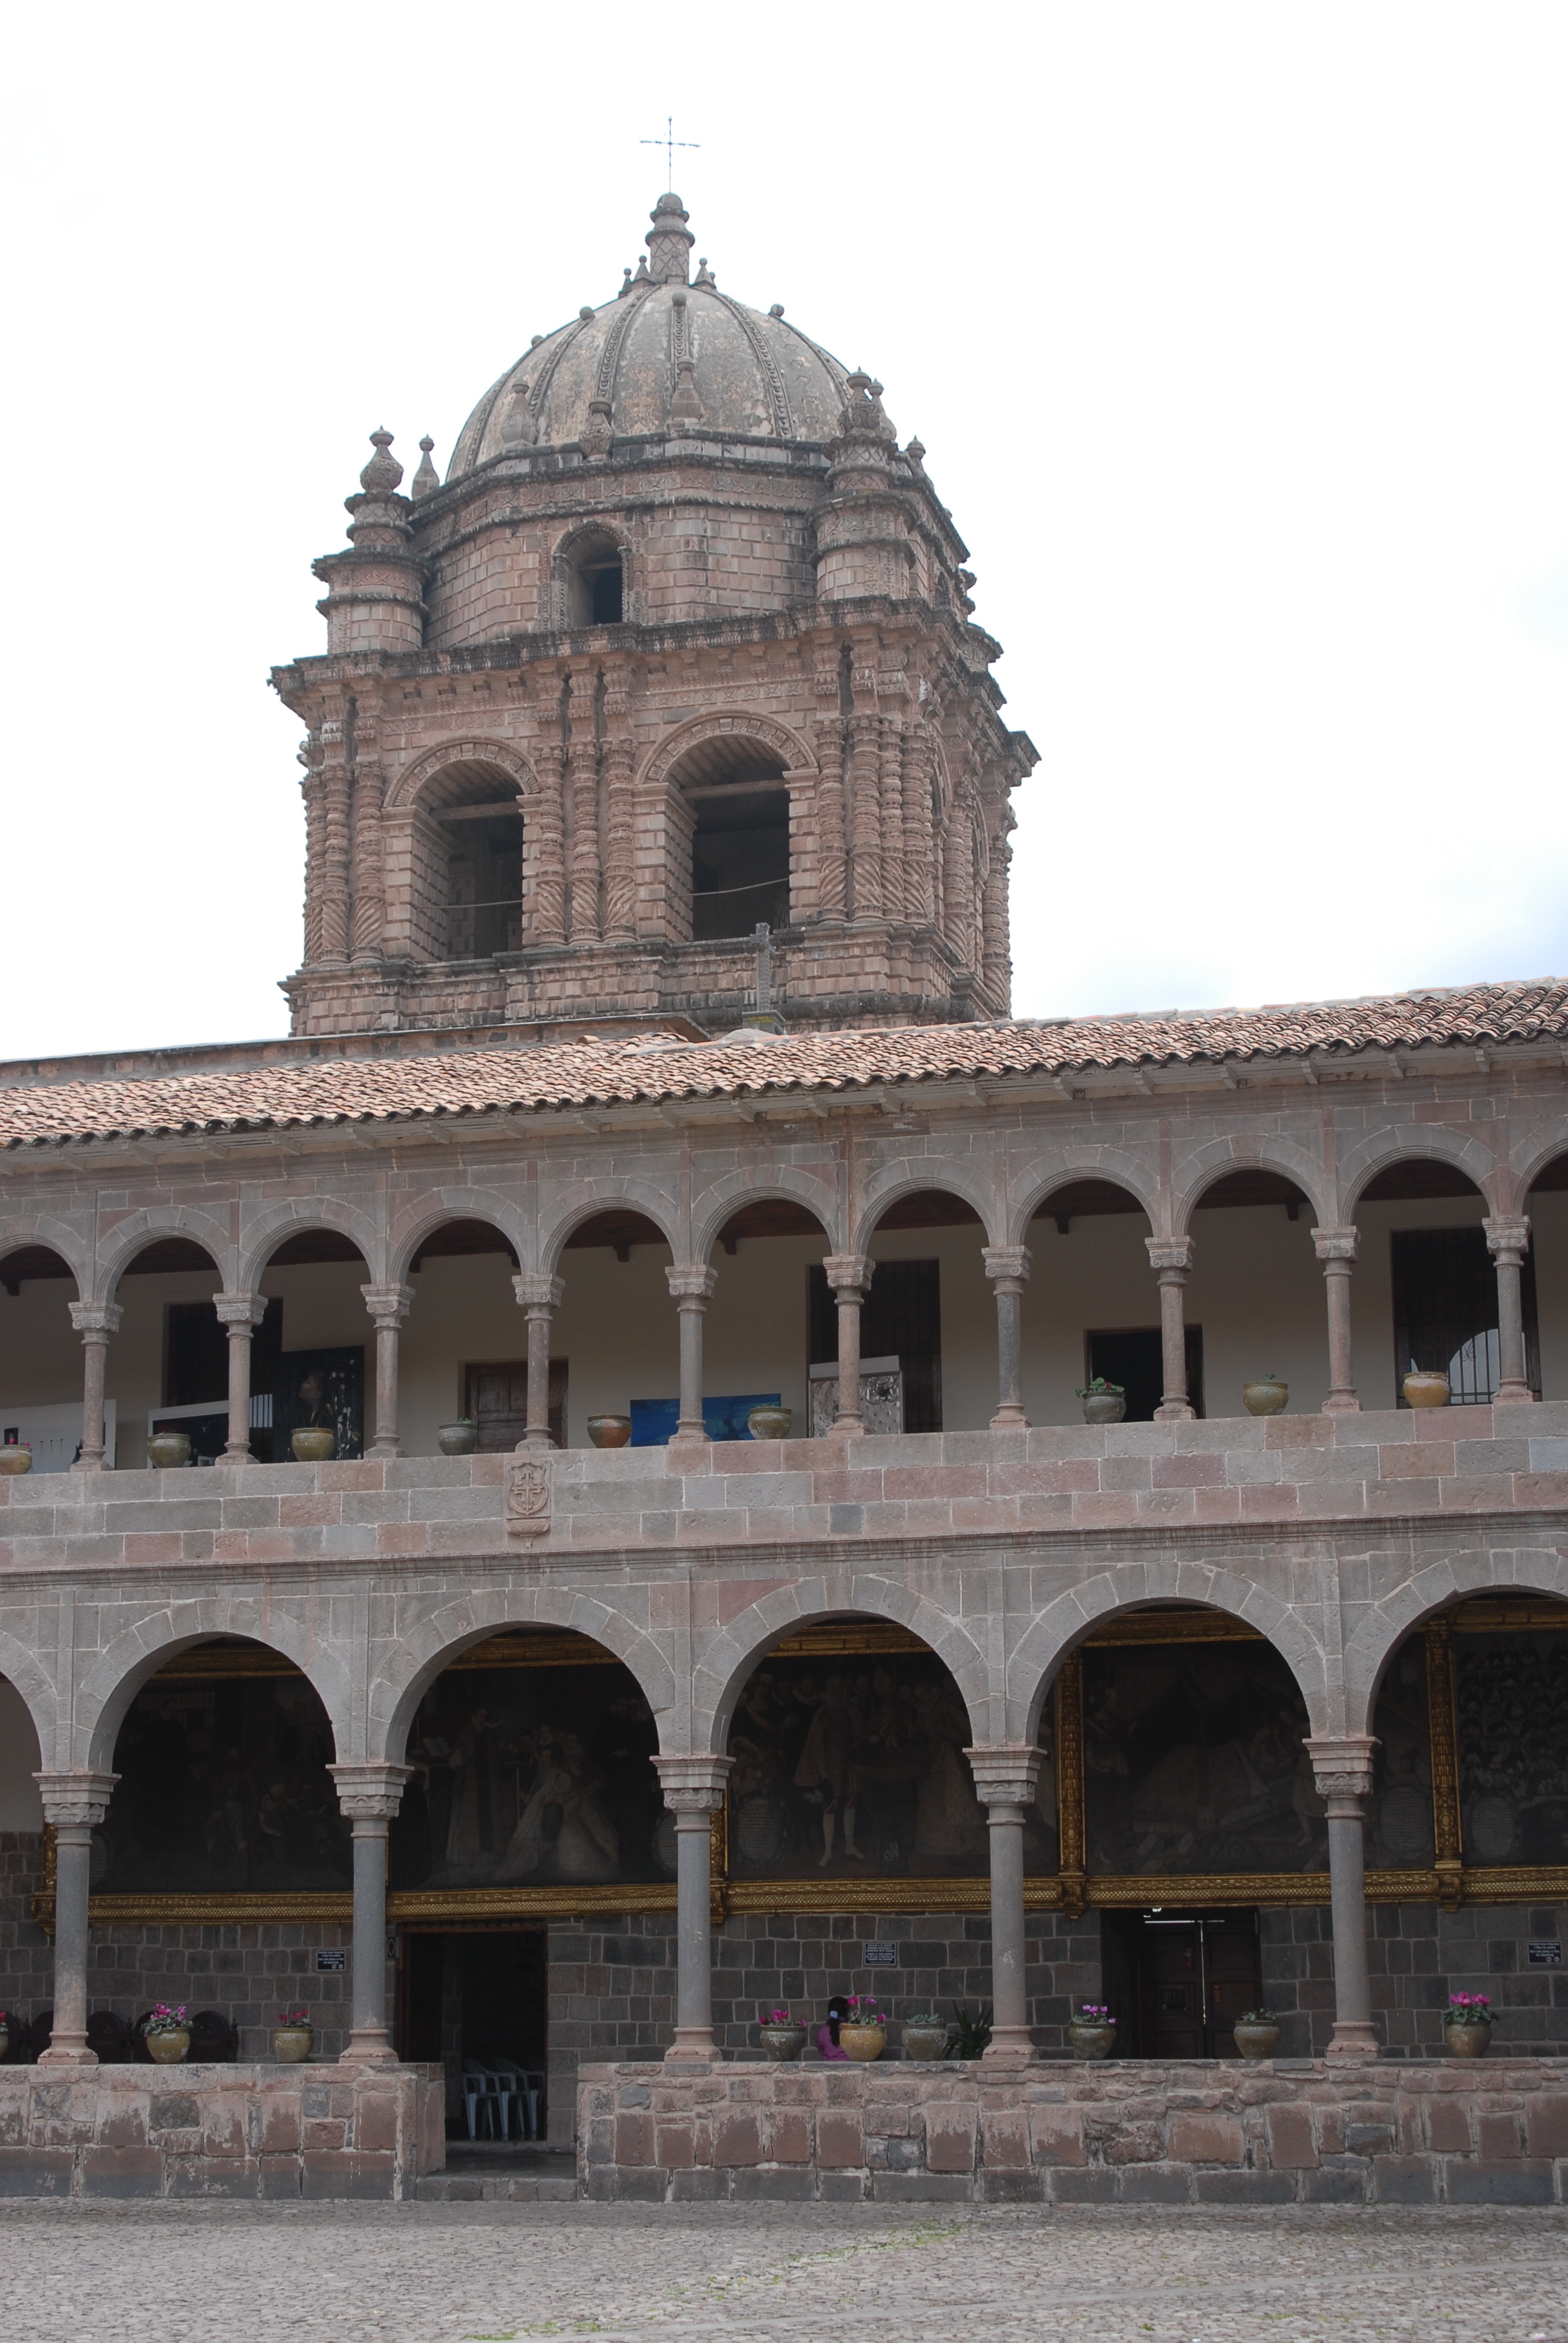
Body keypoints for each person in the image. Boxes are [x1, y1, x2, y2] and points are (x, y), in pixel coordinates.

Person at [817, 1994, 851, 2061]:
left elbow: (821, 2049)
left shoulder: (823, 2031)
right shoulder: (853, 2030)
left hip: (829, 2066)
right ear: (846, 2011)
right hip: (851, 2066)